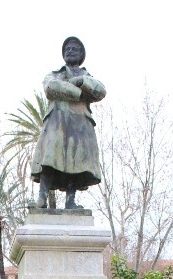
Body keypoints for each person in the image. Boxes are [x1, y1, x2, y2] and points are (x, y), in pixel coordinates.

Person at [31, 36, 106, 209]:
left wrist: (81, 81)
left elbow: (100, 91)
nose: (70, 51)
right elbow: (51, 88)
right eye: (67, 49)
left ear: (81, 55)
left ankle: (70, 201)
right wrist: (79, 94)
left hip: (80, 124)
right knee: (48, 158)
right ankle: (42, 197)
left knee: (76, 162)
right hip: (57, 122)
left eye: (74, 49)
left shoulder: (88, 77)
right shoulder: (55, 74)